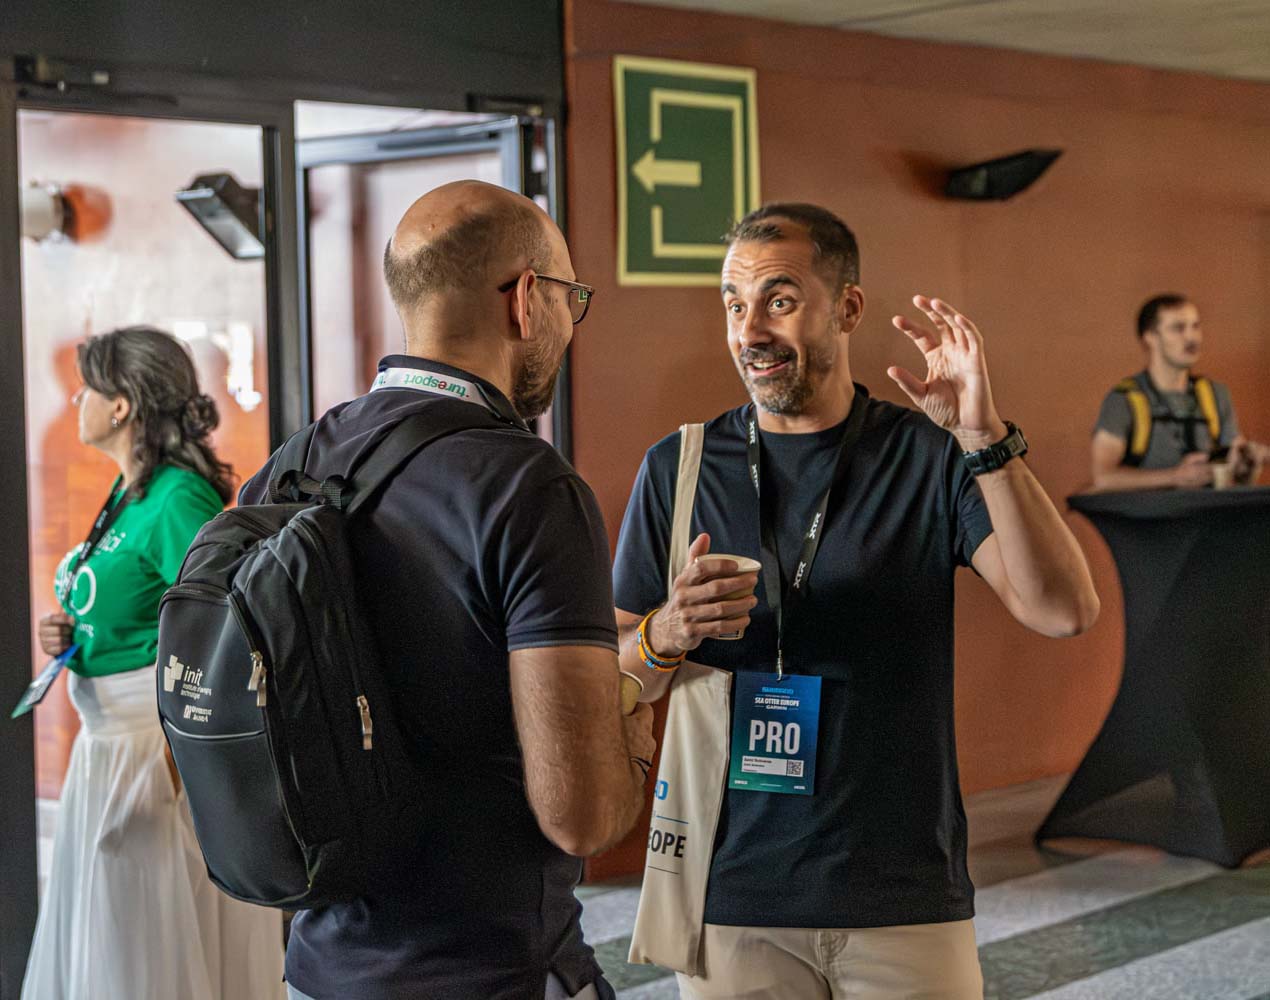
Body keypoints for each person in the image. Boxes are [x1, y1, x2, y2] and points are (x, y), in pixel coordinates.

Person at [614, 203, 1100, 999]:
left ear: (848, 307)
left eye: (778, 299)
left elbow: (1062, 609)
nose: (750, 330)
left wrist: (985, 441)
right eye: (734, 305)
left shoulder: (927, 456)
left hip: (903, 895)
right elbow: (616, 672)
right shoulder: (679, 468)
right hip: (735, 894)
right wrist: (666, 632)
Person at [239, 180, 655, 1000]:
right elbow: (582, 815)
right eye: (573, 297)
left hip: (319, 969)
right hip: (485, 969)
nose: (571, 321)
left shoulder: (291, 464)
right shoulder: (527, 487)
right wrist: (633, 720)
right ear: (527, 299)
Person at [25, 326, 285, 1000]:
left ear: (121, 408)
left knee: (143, 938)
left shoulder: (177, 497)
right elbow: (139, 603)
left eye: (87, 387)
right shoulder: (131, 490)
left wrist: (174, 766)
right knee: (118, 937)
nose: (75, 398)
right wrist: (74, 633)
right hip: (109, 742)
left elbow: (224, 635)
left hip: (150, 749)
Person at [1090, 294, 1265, 490]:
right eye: (1178, 328)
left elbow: (1235, 464)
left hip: (1207, 515)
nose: (1192, 337)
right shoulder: (1124, 399)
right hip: (1148, 518)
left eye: (1196, 326)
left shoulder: (1215, 394)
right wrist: (1174, 477)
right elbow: (1103, 478)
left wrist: (1245, 465)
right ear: (1150, 338)